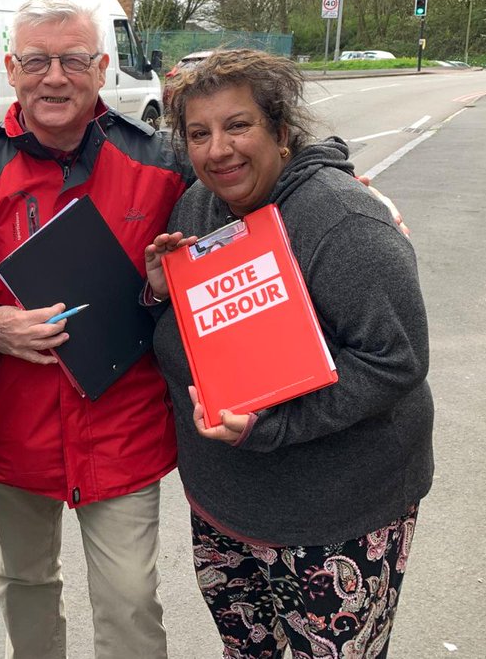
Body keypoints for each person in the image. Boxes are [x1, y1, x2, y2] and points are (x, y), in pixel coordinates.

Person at [144, 49, 434, 658]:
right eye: (199, 133)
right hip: (226, 508)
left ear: (280, 132)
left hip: (336, 520)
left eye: (238, 125)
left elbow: (395, 360)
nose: (217, 149)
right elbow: (193, 336)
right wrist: (157, 292)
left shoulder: (342, 219)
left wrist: (272, 427)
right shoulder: (197, 207)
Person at [0, 0, 190, 659]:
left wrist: (334, 181)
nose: (55, 77)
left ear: (103, 67)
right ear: (11, 68)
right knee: (24, 583)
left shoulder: (163, 167)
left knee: (130, 601)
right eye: (37, 60)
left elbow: (248, 194)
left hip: (125, 427)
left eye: (74, 60)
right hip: (15, 430)